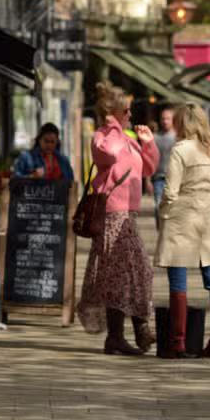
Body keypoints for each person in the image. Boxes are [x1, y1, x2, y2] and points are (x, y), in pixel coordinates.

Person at [76, 82, 159, 355]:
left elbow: (148, 168)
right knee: (121, 275)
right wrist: (112, 124)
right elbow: (109, 154)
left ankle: (131, 333)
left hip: (128, 215)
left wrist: (148, 143)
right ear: (113, 113)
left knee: (136, 271)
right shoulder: (103, 137)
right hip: (111, 215)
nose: (130, 115)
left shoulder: (127, 138)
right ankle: (124, 335)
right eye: (126, 111)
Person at [154, 103, 210, 359]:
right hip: (205, 220)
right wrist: (206, 206)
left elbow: (170, 191)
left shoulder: (180, 150)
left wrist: (163, 212)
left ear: (181, 123)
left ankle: (177, 341)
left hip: (180, 219)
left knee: (178, 281)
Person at [152, 107, 176, 222]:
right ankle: (160, 229)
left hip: (174, 178)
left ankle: (168, 230)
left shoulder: (178, 137)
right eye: (163, 118)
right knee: (158, 207)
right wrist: (148, 180)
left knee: (172, 209)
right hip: (158, 178)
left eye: (168, 118)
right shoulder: (155, 137)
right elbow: (150, 159)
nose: (165, 121)